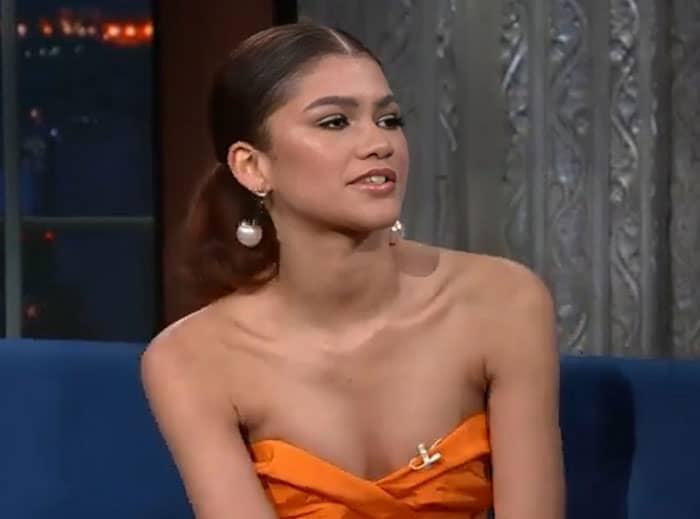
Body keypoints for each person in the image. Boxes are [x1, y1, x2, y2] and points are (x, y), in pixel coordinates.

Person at [141, 23, 564, 519]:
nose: (379, 143)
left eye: (389, 119)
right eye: (335, 122)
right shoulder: (191, 360)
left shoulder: (503, 303)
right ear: (253, 167)